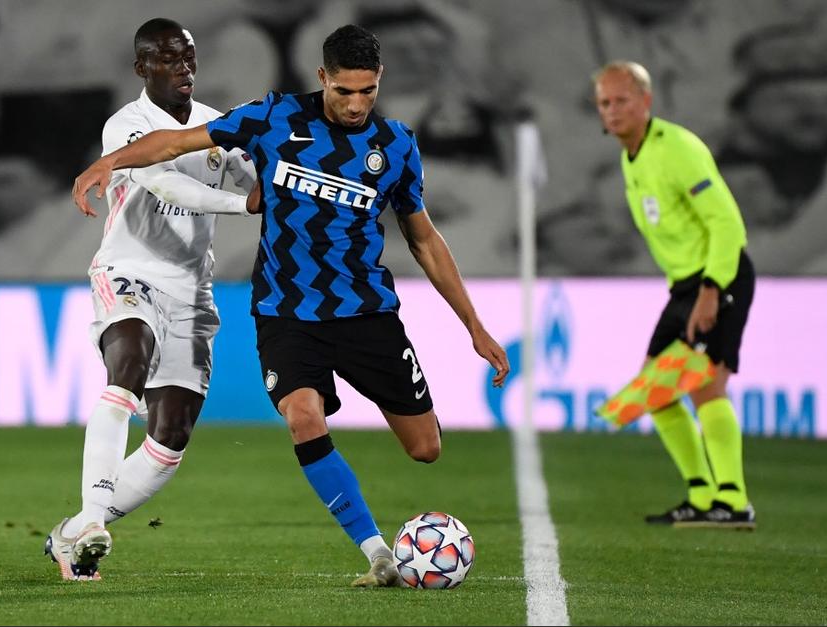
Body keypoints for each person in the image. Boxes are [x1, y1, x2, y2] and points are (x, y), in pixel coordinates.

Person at [73, 24, 509, 587]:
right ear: (322, 77)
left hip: (365, 310)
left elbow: (424, 239)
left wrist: (474, 326)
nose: (356, 105)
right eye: (344, 91)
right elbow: (177, 144)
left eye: (368, 92)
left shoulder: (396, 144)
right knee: (304, 417)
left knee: (425, 449)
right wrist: (109, 163)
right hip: (286, 311)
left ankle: (84, 521)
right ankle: (377, 552)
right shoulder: (273, 117)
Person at [45, 18, 256, 581]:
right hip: (130, 271)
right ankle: (93, 522)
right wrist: (242, 207)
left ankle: (76, 532)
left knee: (171, 435)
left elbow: (254, 177)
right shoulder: (127, 126)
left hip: (192, 288)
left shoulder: (217, 125)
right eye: (166, 58)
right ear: (141, 67)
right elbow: (163, 182)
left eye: (187, 56)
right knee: (127, 367)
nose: (182, 67)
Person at [593, 61, 756, 528]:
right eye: (605, 103)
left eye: (622, 100)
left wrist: (711, 289)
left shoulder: (678, 149)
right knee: (656, 390)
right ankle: (703, 497)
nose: (613, 110)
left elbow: (726, 223)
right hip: (685, 286)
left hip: (717, 278)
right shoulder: (632, 157)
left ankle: (733, 499)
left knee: (706, 386)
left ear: (646, 102)